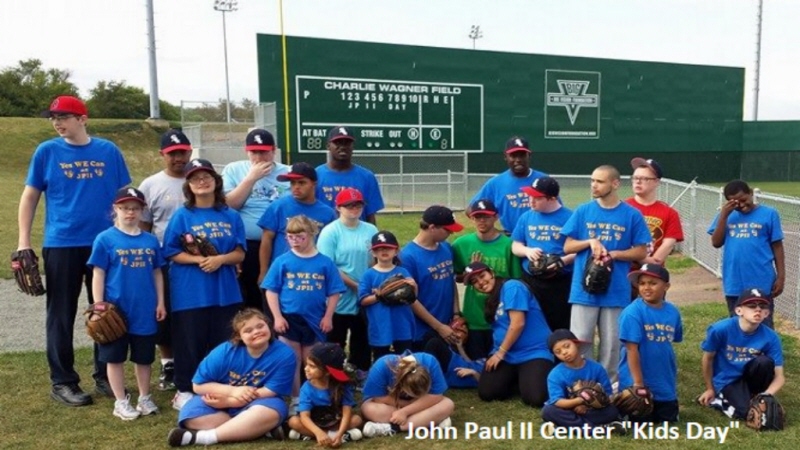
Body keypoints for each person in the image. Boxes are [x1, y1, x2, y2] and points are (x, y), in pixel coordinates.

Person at [17, 95, 132, 406]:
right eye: (54, 117)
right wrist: (23, 241)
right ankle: (63, 381)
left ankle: (106, 375)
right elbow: (30, 197)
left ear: (83, 118)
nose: (57, 122)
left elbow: (125, 195)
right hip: (62, 242)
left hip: (105, 242)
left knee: (106, 311)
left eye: (65, 116)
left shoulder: (108, 150)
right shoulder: (47, 151)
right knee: (61, 314)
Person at [162, 159, 247, 411]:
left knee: (224, 341)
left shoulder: (230, 215)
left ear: (216, 181)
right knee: (190, 341)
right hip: (190, 291)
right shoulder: (183, 215)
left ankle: (219, 386)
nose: (202, 181)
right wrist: (200, 259)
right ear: (188, 185)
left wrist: (220, 259)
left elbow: (240, 253)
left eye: (206, 176)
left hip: (225, 291)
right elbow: (171, 252)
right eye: (195, 178)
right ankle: (185, 389)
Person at [561, 165, 651, 381]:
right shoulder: (583, 210)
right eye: (592, 180)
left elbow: (641, 250)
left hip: (615, 288)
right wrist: (590, 242)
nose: (594, 185)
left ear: (615, 183)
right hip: (585, 289)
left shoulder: (631, 215)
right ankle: (582, 383)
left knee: (612, 343)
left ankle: (608, 386)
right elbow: (567, 246)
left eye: (600, 181)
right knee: (581, 340)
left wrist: (617, 254)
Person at [88, 188, 167, 420]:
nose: (130, 213)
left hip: (145, 308)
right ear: (116, 209)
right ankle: (121, 401)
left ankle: (144, 397)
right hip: (116, 310)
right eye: (124, 208)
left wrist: (161, 302)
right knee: (115, 356)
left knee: (144, 356)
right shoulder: (105, 239)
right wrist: (98, 304)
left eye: (134, 208)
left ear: (142, 211)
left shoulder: (150, 240)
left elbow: (157, 273)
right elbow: (98, 273)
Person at [167, 309, 296, 447]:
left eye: (260, 326)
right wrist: (232, 392)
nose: (256, 332)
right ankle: (257, 429)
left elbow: (271, 390)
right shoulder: (224, 352)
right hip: (220, 398)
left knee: (272, 412)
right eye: (248, 330)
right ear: (239, 336)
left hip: (260, 400)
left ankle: (204, 437)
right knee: (189, 417)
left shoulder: (285, 354)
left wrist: (231, 402)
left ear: (268, 326)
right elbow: (198, 385)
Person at [262, 215, 346, 409]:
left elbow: (334, 292)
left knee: (314, 361)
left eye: (300, 237)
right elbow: (271, 290)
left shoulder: (324, 262)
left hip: (315, 320)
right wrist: (277, 317)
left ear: (311, 234)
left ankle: (316, 396)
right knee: (292, 359)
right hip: (290, 319)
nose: (295, 242)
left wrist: (328, 316)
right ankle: (296, 398)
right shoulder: (282, 261)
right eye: (290, 237)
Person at [139, 129, 192, 392]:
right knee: (165, 314)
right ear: (163, 155)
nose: (178, 158)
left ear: (190, 151)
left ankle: (193, 361)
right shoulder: (151, 185)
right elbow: (144, 227)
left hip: (198, 261)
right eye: (172, 154)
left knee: (191, 314)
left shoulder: (199, 179)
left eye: (182, 152)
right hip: (164, 261)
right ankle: (168, 362)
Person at [463, 262, 554, 407]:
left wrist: (500, 353)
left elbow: (518, 323)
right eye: (474, 281)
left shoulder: (512, 287)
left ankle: (532, 378)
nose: (480, 282)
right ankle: (522, 378)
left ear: (491, 272)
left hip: (534, 351)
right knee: (487, 393)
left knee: (536, 398)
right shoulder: (491, 300)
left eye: (482, 276)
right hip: (509, 355)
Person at [222, 129, 290, 311]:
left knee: (276, 296)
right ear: (247, 151)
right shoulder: (235, 169)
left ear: (273, 150)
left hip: (279, 243)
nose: (259, 157)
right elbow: (229, 206)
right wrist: (250, 178)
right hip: (247, 244)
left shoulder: (287, 173)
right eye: (254, 152)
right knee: (248, 297)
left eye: (264, 152)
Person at [697, 288, 785, 420]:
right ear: (739, 311)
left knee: (764, 362)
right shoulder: (719, 329)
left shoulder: (771, 337)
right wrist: (710, 388)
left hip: (750, 377)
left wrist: (766, 395)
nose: (758, 310)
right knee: (745, 413)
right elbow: (708, 359)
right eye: (751, 306)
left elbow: (779, 376)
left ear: (767, 312)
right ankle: (718, 400)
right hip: (727, 380)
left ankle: (755, 395)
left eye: (762, 306)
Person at [708, 180, 784, 329]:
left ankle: (765, 352)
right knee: (738, 325)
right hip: (734, 281)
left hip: (761, 279)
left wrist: (781, 277)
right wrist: (723, 216)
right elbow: (716, 242)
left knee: (763, 322)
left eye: (743, 199)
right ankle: (741, 352)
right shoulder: (726, 216)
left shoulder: (769, 214)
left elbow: (778, 247)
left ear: (751, 193)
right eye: (734, 202)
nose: (741, 205)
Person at [317, 188, 378, 372]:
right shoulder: (331, 231)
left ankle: (360, 370)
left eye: (358, 204)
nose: (354, 208)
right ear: (339, 207)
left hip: (364, 293)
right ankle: (333, 373)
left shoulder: (370, 229)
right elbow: (329, 266)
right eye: (348, 205)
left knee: (362, 335)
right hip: (339, 294)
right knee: (336, 337)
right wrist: (355, 285)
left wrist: (369, 286)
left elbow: (375, 261)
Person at [452, 198, 521, 359]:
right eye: (477, 217)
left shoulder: (508, 245)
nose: (481, 220)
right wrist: (471, 271)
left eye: (486, 216)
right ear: (472, 218)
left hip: (501, 317)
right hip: (474, 317)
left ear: (496, 217)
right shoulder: (461, 244)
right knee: (477, 365)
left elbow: (516, 280)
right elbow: (456, 277)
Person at [618, 264, 683, 422]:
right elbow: (631, 350)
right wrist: (638, 384)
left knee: (668, 420)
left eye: (653, 283)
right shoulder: (632, 313)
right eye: (642, 283)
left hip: (664, 381)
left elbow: (674, 338)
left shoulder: (673, 312)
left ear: (666, 286)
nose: (646, 287)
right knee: (640, 421)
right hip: (637, 383)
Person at [512, 176, 575, 331]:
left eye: (537, 198)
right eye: (530, 196)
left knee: (559, 324)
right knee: (532, 323)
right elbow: (516, 245)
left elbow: (579, 251)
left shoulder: (569, 217)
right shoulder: (526, 217)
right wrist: (527, 251)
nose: (531, 201)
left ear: (552, 198)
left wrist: (562, 261)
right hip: (532, 279)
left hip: (559, 281)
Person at [257, 162, 336, 284]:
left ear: (314, 184)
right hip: (281, 272)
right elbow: (266, 240)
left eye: (302, 182)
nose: (296, 187)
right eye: (293, 183)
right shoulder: (279, 206)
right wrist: (264, 271)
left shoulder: (327, 213)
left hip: (313, 273)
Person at [400, 205, 464, 350]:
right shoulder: (408, 257)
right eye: (447, 230)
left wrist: (456, 313)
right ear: (432, 227)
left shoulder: (446, 248)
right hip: (423, 330)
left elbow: (450, 281)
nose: (451, 234)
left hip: (448, 325)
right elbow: (410, 300)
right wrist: (439, 327)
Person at [360, 352, 454, 437]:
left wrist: (405, 412)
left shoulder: (430, 362)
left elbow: (436, 395)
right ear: (401, 384)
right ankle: (430, 420)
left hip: (417, 406)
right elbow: (379, 399)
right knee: (368, 409)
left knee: (448, 404)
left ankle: (391, 428)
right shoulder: (381, 366)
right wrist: (409, 407)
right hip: (393, 405)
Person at [542, 329, 621, 430]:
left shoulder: (596, 368)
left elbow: (607, 395)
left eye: (567, 346)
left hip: (592, 409)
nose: (564, 352)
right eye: (558, 352)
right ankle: (598, 429)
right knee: (549, 411)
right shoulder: (555, 374)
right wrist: (579, 401)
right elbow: (557, 401)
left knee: (612, 411)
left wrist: (589, 405)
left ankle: (567, 426)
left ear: (576, 344)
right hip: (569, 409)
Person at [469, 136, 550, 233]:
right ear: (505, 157)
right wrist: (494, 231)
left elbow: (556, 209)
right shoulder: (496, 183)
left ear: (529, 155)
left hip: (538, 236)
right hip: (510, 238)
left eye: (522, 155)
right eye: (513, 156)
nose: (518, 159)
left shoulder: (544, 180)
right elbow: (471, 209)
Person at [287, 343, 364, 445]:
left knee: (356, 420)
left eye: (312, 366)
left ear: (327, 372)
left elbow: (346, 413)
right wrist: (318, 432)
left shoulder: (343, 386)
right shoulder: (306, 388)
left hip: (336, 421)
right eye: (307, 364)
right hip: (314, 423)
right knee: (293, 421)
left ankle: (309, 436)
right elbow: (304, 416)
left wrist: (340, 432)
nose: (306, 369)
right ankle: (332, 436)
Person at [359, 231, 417, 360]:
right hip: (380, 327)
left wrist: (414, 287)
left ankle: (406, 381)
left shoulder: (403, 272)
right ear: (373, 253)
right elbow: (363, 300)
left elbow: (412, 299)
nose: (383, 251)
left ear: (396, 251)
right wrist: (379, 296)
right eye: (378, 249)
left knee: (407, 362)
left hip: (402, 325)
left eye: (388, 248)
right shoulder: (368, 275)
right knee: (382, 361)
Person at [316, 126, 384, 224]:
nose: (343, 146)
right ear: (328, 146)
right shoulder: (316, 175)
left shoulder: (367, 177)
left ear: (353, 146)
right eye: (337, 143)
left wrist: (373, 238)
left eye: (347, 143)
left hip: (357, 236)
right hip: (325, 236)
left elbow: (370, 216)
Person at [626, 158, 684, 267]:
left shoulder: (669, 213)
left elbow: (668, 244)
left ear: (656, 182)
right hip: (624, 272)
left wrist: (650, 264)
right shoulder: (622, 208)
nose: (638, 181)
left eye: (645, 178)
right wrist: (641, 259)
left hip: (652, 276)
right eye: (635, 178)